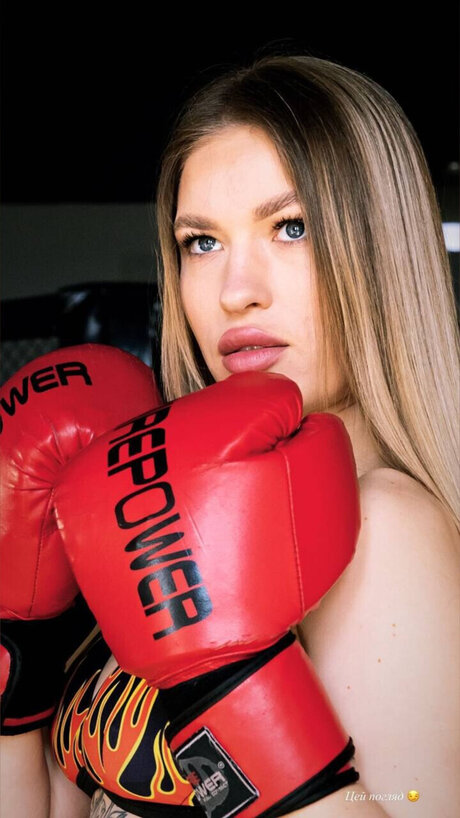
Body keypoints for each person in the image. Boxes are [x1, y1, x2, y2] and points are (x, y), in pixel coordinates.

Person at [1, 49, 459, 818]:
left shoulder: (383, 530)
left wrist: (230, 686)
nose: (236, 292)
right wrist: (13, 648)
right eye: (202, 242)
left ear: (380, 254)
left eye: (290, 227)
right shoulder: (162, 501)